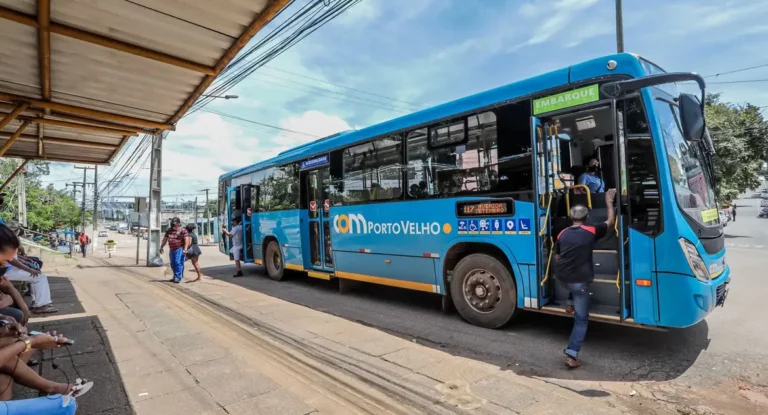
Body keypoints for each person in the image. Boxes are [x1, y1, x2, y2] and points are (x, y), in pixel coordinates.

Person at [554, 189, 617, 369]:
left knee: (573, 284)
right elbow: (610, 222)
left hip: (562, 277)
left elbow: (557, 257)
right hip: (579, 282)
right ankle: (571, 355)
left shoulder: (562, 233)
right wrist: (608, 201)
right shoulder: (591, 230)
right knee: (581, 320)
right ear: (587, 216)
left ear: (570, 217)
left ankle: (569, 303)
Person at [159, 218, 189, 284]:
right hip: (172, 249)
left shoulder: (183, 230)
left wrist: (185, 249)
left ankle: (178, 277)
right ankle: (175, 276)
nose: (173, 225)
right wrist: (161, 247)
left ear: (178, 223)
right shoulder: (169, 230)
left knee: (178, 262)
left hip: (180, 248)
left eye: (175, 224)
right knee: (172, 264)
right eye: (172, 224)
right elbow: (165, 239)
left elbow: (187, 240)